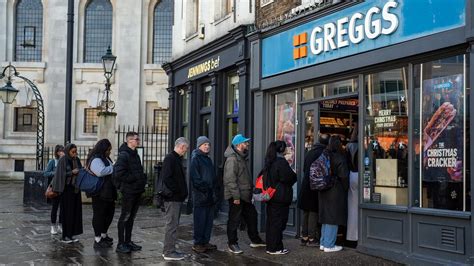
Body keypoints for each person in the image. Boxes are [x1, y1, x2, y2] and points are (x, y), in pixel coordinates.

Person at [224, 134, 265, 254]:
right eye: (245, 142)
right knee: (234, 220)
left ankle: (255, 240)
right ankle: (232, 243)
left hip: (245, 195)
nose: (247, 144)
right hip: (236, 196)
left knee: (252, 216)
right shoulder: (232, 159)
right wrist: (236, 197)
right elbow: (230, 180)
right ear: (238, 145)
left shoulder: (241, 157)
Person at [114, 132, 147, 254]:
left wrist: (142, 179)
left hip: (136, 190)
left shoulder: (135, 154)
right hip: (129, 191)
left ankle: (128, 241)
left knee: (131, 217)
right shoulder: (124, 155)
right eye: (136, 139)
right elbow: (119, 173)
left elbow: (137, 170)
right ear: (129, 141)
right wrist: (134, 179)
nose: (138, 141)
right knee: (125, 217)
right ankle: (121, 244)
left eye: (138, 139)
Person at [264, 141, 297, 255]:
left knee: (272, 223)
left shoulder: (269, 160)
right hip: (280, 197)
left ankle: (271, 247)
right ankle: (275, 248)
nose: (288, 149)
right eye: (286, 147)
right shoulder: (281, 162)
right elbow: (290, 177)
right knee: (278, 223)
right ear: (282, 149)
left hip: (271, 196)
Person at [297, 133, 329, 247]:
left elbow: (305, 168)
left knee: (306, 211)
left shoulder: (310, 151)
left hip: (306, 184)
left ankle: (304, 237)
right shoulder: (323, 153)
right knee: (313, 211)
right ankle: (311, 238)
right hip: (315, 185)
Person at [319, 135, 349, 252]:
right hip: (335, 190)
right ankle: (329, 245)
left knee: (326, 217)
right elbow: (344, 176)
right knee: (333, 217)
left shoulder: (324, 156)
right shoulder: (340, 158)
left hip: (323, 189)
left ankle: (323, 242)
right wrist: (345, 188)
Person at [161, 137, 189, 261]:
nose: (186, 151)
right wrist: (177, 191)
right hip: (172, 198)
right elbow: (166, 178)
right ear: (182, 147)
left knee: (174, 225)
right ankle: (168, 251)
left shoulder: (176, 158)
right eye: (186, 148)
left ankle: (170, 249)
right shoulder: (170, 158)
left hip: (176, 198)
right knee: (171, 225)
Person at [86, 139, 117, 249]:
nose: (109, 152)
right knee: (99, 214)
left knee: (109, 213)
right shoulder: (96, 159)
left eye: (110, 150)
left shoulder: (106, 158)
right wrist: (114, 167)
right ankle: (97, 238)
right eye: (108, 150)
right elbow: (100, 172)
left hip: (108, 191)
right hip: (99, 192)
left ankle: (104, 234)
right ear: (102, 149)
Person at [189, 136, 218, 253]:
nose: (207, 146)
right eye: (205, 144)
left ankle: (205, 241)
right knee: (200, 220)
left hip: (210, 195)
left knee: (208, 221)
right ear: (199, 146)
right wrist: (206, 189)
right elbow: (195, 179)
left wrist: (214, 190)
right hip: (201, 195)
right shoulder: (195, 159)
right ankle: (197, 243)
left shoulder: (207, 159)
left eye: (208, 145)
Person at [52, 143, 83, 243]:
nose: (74, 153)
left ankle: (72, 234)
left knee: (74, 213)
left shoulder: (76, 160)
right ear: (68, 151)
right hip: (66, 190)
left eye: (75, 151)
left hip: (75, 189)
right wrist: (71, 173)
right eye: (73, 152)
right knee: (66, 213)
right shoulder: (63, 160)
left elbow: (80, 170)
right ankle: (65, 235)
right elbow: (60, 175)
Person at [44, 144, 65, 235]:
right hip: (55, 187)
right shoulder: (53, 162)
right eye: (60, 151)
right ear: (57, 152)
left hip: (64, 188)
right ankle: (53, 226)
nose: (62, 153)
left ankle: (60, 226)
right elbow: (46, 173)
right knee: (55, 207)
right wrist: (56, 172)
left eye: (63, 151)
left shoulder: (65, 161)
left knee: (63, 208)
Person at [345, 126, 359, 246]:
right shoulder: (362, 145)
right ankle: (358, 235)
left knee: (352, 207)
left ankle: (351, 235)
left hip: (351, 175)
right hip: (360, 175)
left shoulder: (348, 147)